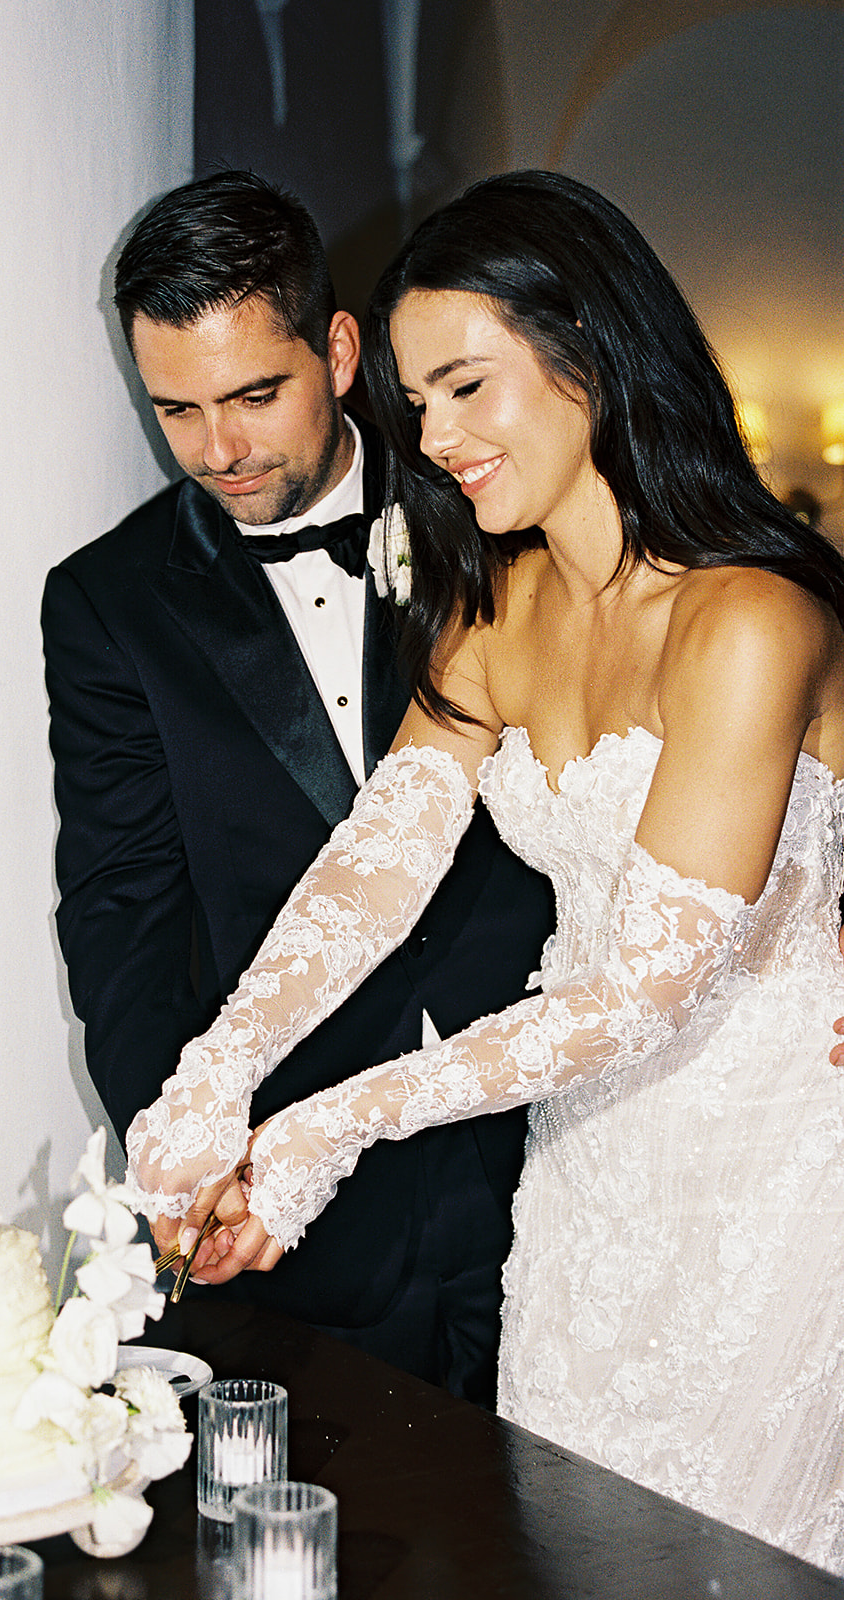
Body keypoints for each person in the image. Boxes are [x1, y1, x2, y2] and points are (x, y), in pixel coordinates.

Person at [125, 171, 844, 1569]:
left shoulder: (748, 617)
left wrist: (324, 1127)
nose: (433, 438)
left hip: (777, 1171)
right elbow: (370, 872)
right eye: (416, 403)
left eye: (466, 388)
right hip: (584, 1171)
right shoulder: (495, 612)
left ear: (590, 348)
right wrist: (215, 1073)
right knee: (564, 1547)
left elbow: (643, 992)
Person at [41, 170, 555, 1402]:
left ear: (335, 349)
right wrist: (194, 1155)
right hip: (297, 1193)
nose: (217, 449)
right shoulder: (107, 602)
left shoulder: (493, 504)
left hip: (550, 1140)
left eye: (252, 396)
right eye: (174, 410)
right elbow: (122, 909)